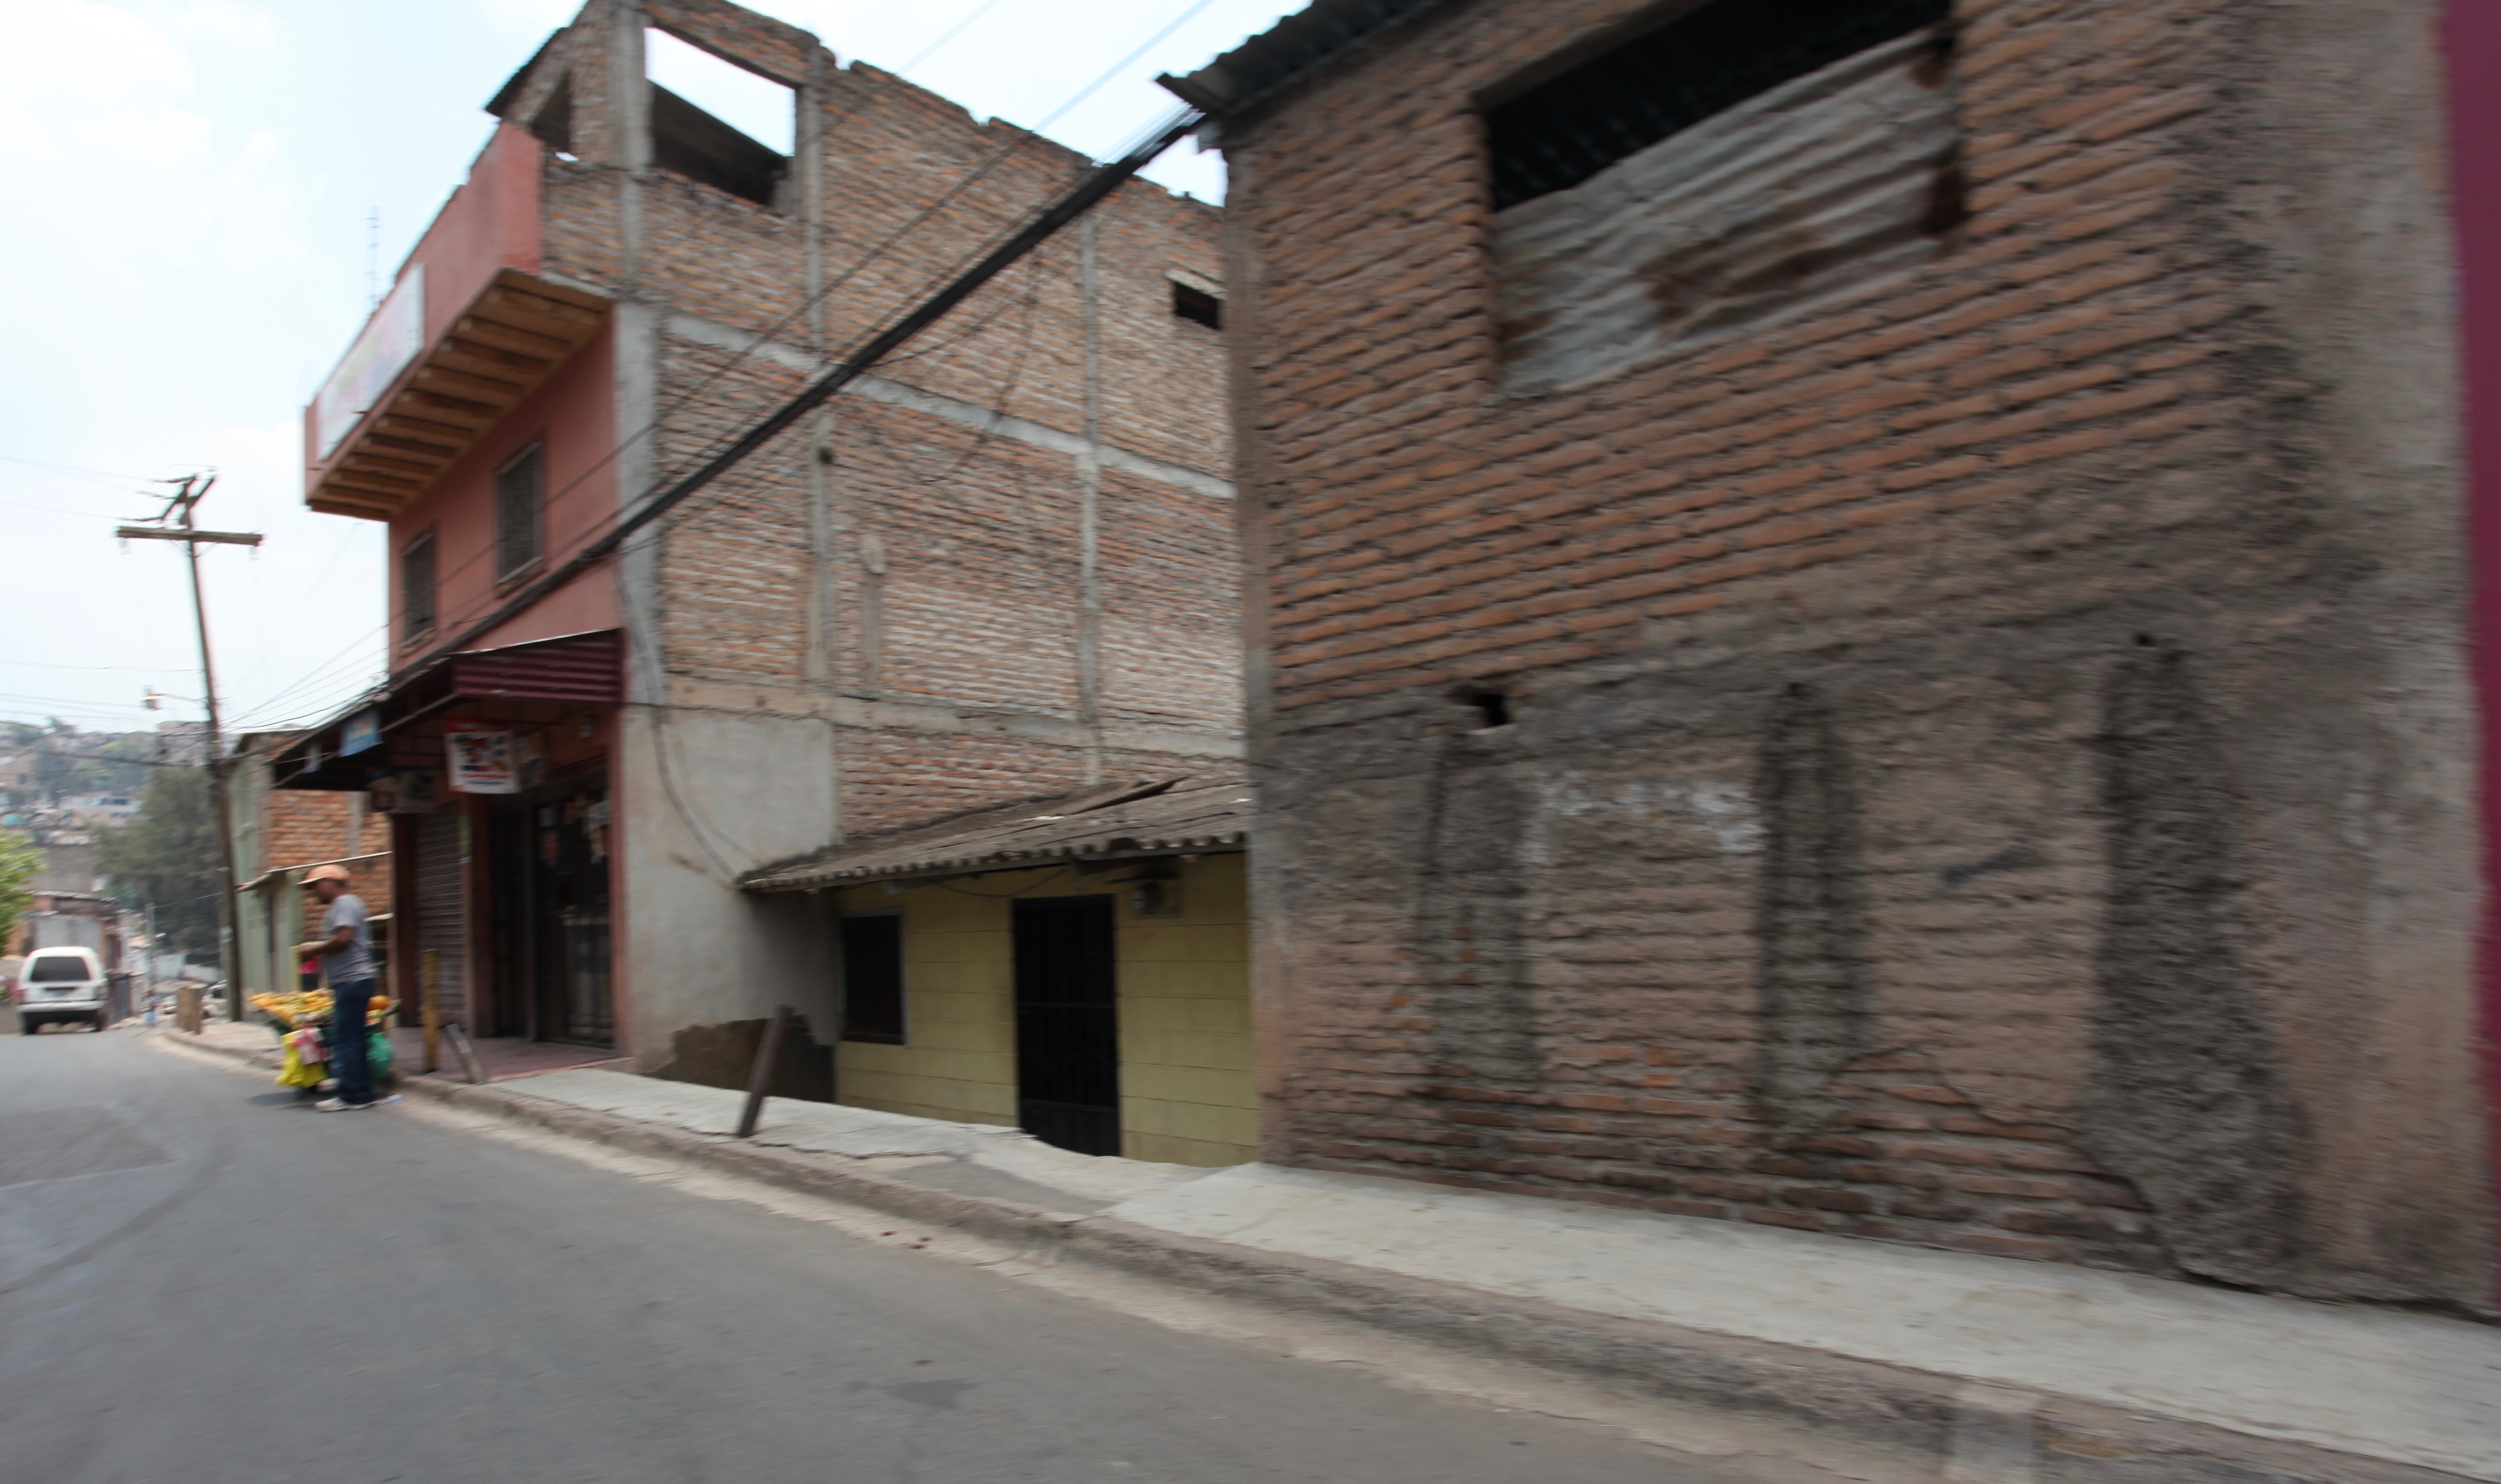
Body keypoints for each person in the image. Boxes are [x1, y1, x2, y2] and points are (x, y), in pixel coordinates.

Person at [294, 864, 397, 1111]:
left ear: (332, 882)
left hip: (353, 981)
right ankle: (360, 1093)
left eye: (316, 886)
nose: (314, 892)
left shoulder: (345, 903)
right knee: (352, 1038)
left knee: (346, 1039)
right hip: (350, 982)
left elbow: (343, 939)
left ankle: (353, 1095)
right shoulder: (340, 907)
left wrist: (313, 950)